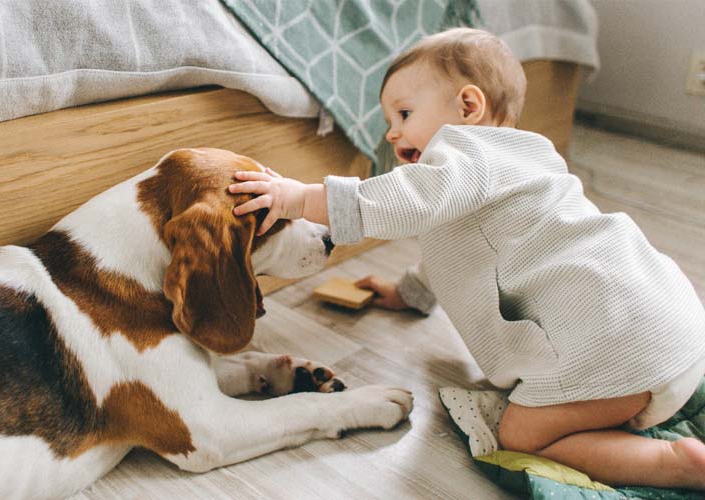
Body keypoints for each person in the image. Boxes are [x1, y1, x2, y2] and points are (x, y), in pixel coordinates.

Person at [228, 28, 705, 489]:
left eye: (404, 113)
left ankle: (673, 463)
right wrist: (409, 292)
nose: (393, 134)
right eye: (390, 123)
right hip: (669, 318)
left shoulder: (466, 151)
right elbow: (463, 252)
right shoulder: (519, 164)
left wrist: (299, 198)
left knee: (520, 437)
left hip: (614, 343)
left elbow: (404, 201)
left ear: (469, 106)